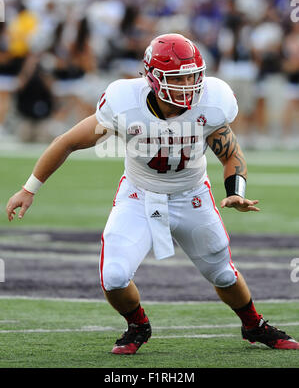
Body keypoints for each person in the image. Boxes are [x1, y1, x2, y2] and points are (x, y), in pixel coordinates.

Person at [6, 33, 299, 354]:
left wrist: (236, 190)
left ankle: (254, 325)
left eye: (193, 75)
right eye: (178, 77)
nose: (189, 84)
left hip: (192, 196)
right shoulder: (124, 103)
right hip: (139, 195)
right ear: (153, 78)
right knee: (114, 277)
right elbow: (67, 142)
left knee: (223, 273)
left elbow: (231, 155)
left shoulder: (212, 101)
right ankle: (137, 324)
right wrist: (29, 188)